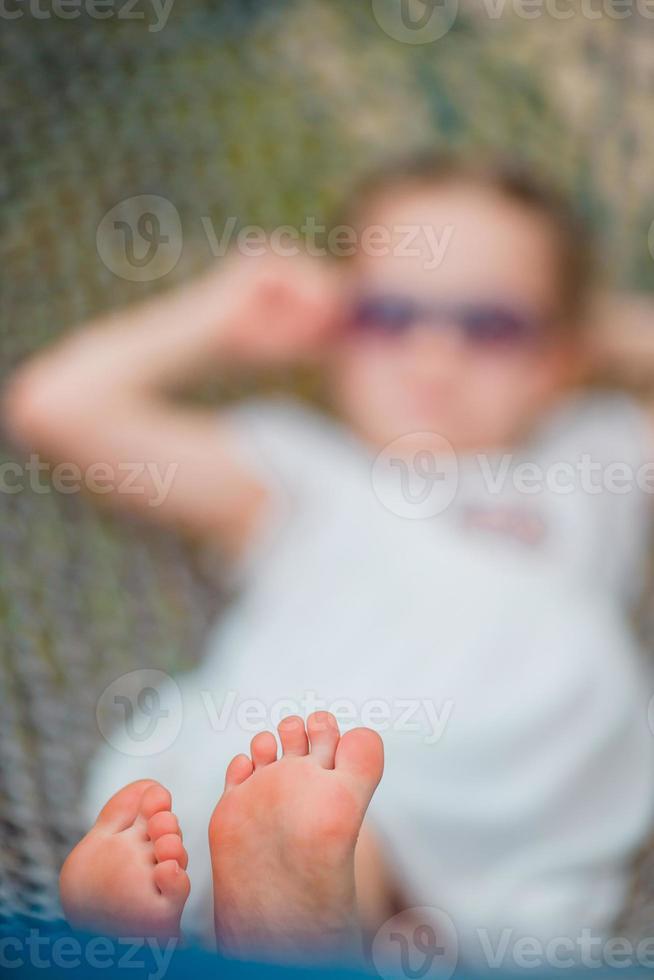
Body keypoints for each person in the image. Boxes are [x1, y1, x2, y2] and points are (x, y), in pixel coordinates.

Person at [6, 153, 654, 964]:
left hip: (511, 746)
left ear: (559, 357)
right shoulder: (298, 468)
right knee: (295, 774)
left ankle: (286, 899)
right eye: (389, 315)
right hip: (316, 723)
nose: (434, 354)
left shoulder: (593, 459)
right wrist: (223, 312)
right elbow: (56, 406)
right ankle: (254, 895)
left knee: (347, 797)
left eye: (491, 326)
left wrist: (597, 327)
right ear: (338, 329)